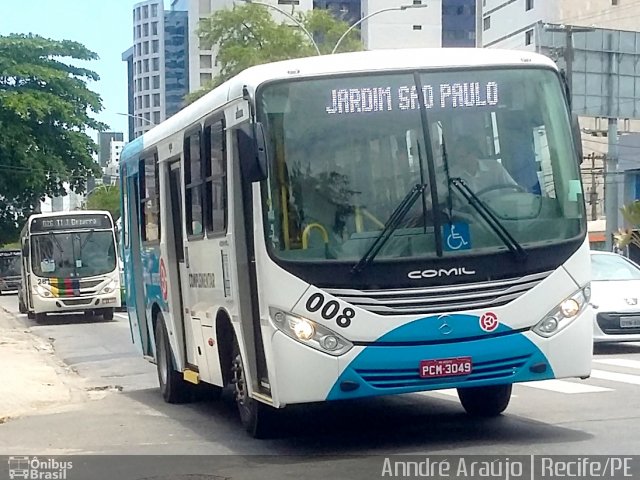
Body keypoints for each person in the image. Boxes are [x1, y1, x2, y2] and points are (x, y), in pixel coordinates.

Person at [447, 136, 517, 194]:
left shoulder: (495, 168)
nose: (459, 161)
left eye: (462, 157)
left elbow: (513, 190)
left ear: (474, 153)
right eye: (457, 158)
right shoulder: (452, 175)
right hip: (466, 211)